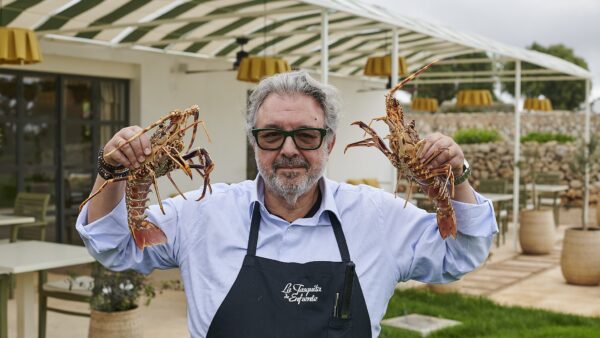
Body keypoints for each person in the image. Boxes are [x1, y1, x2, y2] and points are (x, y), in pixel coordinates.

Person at [77, 70, 497, 338]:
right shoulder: (203, 210)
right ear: (254, 142)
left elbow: (462, 251)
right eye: (272, 135)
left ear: (331, 142)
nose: (289, 150)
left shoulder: (378, 216)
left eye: (307, 136)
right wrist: (111, 172)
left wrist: (455, 178)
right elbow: (114, 245)